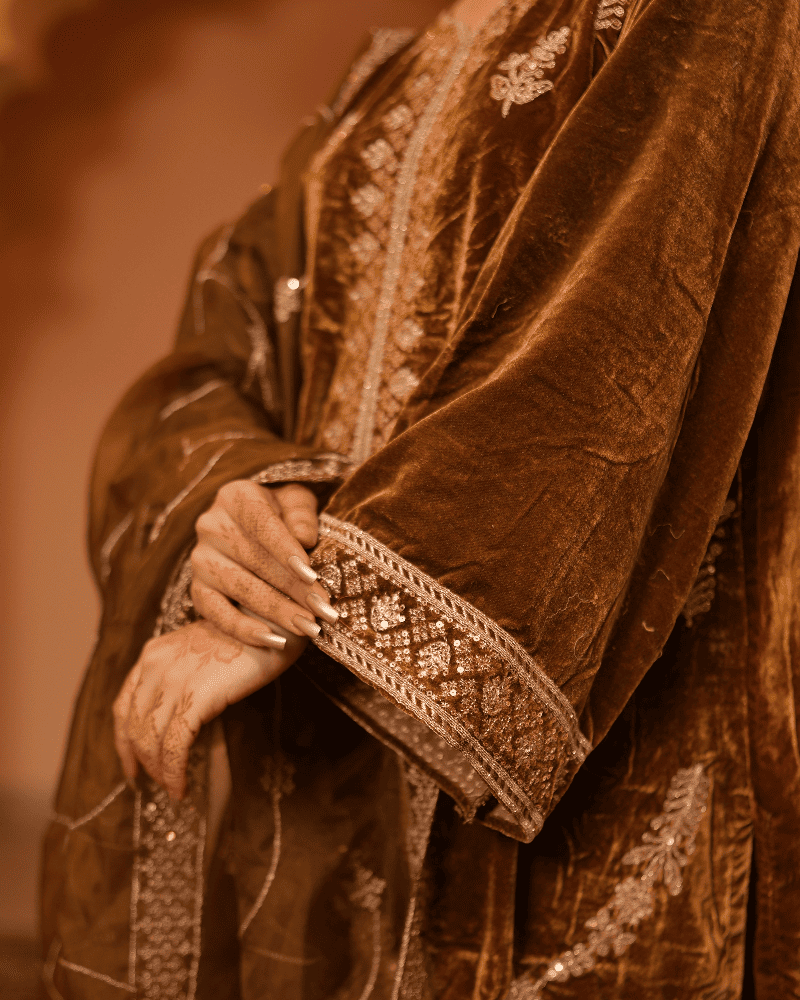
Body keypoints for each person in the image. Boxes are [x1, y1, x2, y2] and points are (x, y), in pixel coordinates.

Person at [41, 0, 800, 996]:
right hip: (333, 795)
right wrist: (243, 503)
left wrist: (341, 598)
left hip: (600, 772)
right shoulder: (377, 88)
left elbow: (608, 335)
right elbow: (210, 363)